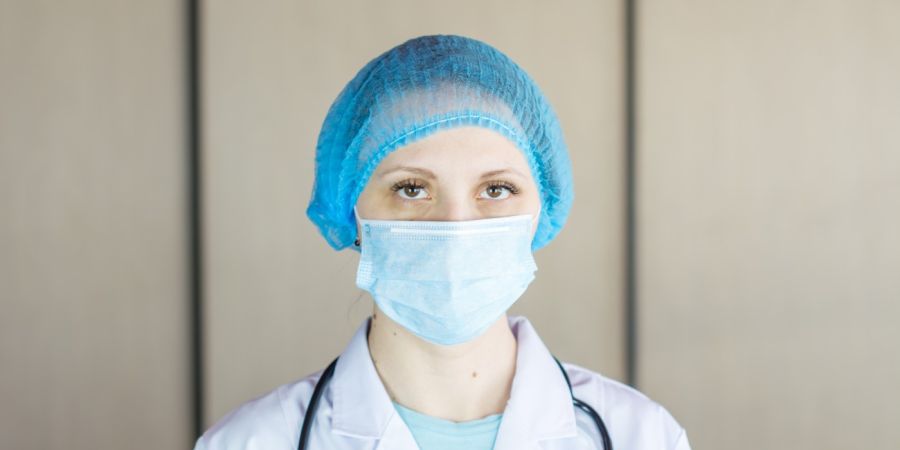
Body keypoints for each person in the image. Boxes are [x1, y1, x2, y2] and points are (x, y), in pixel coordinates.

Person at [193, 34, 691, 450]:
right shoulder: (252, 442)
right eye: (412, 189)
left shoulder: (641, 436)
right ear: (351, 210)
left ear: (541, 211)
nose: (456, 226)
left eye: (496, 189)